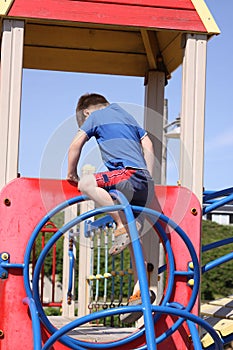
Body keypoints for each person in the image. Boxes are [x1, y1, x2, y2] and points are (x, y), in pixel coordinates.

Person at [67, 93, 156, 322]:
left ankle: (119, 225)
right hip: (143, 182)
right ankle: (141, 290)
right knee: (135, 236)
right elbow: (148, 144)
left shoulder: (95, 117)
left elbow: (76, 143)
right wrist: (149, 176)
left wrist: (71, 174)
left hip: (126, 174)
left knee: (87, 182)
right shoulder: (126, 116)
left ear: (87, 112)